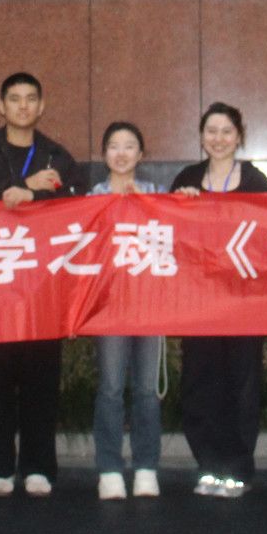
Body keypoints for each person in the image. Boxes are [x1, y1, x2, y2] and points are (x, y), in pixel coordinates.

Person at [0, 71, 83, 497]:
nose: (23, 106)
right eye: (14, 98)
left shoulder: (57, 156)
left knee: (41, 381)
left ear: (41, 106)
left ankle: (39, 466)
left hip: (44, 287)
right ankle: (1, 466)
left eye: (31, 98)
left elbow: (76, 204)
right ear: (1, 106)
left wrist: (37, 196)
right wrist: (20, 187)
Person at [170, 102, 267, 500]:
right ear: (201, 137)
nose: (218, 139)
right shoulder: (187, 178)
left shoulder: (256, 181)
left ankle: (239, 467)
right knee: (200, 383)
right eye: (211, 131)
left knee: (242, 385)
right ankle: (209, 465)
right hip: (198, 302)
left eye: (227, 131)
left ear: (239, 137)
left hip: (245, 303)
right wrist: (179, 203)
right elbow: (167, 235)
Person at [89, 121, 164, 500]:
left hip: (150, 305)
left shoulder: (157, 194)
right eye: (114, 146)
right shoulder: (93, 197)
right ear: (104, 154)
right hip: (109, 306)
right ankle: (109, 468)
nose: (121, 153)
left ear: (141, 154)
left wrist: (151, 207)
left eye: (129, 145)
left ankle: (147, 466)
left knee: (147, 390)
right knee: (111, 388)